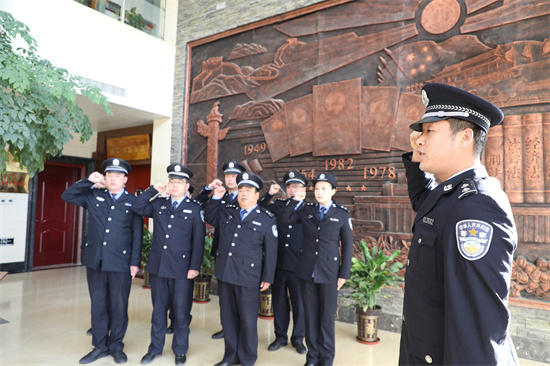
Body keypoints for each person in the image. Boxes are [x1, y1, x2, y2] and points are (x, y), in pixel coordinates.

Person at [399, 82, 519, 365]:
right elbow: (424, 203)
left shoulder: (477, 207)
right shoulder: (451, 193)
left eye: (430, 131)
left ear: (465, 137)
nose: (419, 139)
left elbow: (476, 325)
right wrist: (418, 155)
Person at [61, 158, 143, 364]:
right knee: (98, 304)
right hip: (95, 260)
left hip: (121, 262)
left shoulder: (133, 202)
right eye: (109, 175)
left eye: (117, 176)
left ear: (125, 179)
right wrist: (89, 181)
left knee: (118, 305)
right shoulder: (93, 195)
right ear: (104, 178)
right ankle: (99, 346)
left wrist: (135, 263)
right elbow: (67, 195)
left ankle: (116, 346)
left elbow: (137, 235)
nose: (113, 179)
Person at [132, 164, 205, 366]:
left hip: (182, 270)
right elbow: (137, 207)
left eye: (179, 182)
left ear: (186, 185)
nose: (175, 185)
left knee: (181, 313)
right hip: (158, 268)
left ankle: (180, 350)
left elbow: (198, 241)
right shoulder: (159, 204)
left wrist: (194, 267)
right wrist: (153, 190)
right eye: (172, 181)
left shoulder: (195, 209)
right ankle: (154, 349)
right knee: (158, 312)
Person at [279, 173, 353, 366]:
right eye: (317, 188)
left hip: (329, 273)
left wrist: (343, 274)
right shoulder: (306, 210)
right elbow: (285, 220)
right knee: (311, 317)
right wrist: (292, 201)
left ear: (333, 191)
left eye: (324, 188)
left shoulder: (342, 214)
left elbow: (347, 245)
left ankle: (327, 359)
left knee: (326, 319)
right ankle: (312, 358)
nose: (319, 192)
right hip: (306, 271)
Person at [204, 171, 278, 366]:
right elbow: (209, 216)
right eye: (241, 189)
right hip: (225, 273)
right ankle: (230, 357)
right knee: (228, 318)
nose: (244, 193)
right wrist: (217, 197)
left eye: (249, 190)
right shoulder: (228, 211)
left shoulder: (266, 218)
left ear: (256, 195)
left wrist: (268, 277)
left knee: (247, 321)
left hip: (248, 277)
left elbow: (271, 252)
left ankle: (247, 359)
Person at [194, 160, 246, 340]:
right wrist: (214, 195)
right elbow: (208, 216)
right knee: (225, 297)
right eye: (227, 175)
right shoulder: (221, 196)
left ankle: (241, 330)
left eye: (234, 175)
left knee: (241, 297)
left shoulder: (247, 197)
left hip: (242, 256)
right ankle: (227, 328)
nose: (230, 179)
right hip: (223, 253)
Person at [258, 171, 307, 355]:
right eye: (290, 186)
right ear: (286, 189)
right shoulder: (278, 206)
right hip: (278, 264)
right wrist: (269, 194)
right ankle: (280, 337)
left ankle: (298, 339)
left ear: (304, 190)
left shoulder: (309, 208)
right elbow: (258, 207)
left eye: (297, 186)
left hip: (299, 266)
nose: (293, 190)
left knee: (299, 304)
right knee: (278, 302)